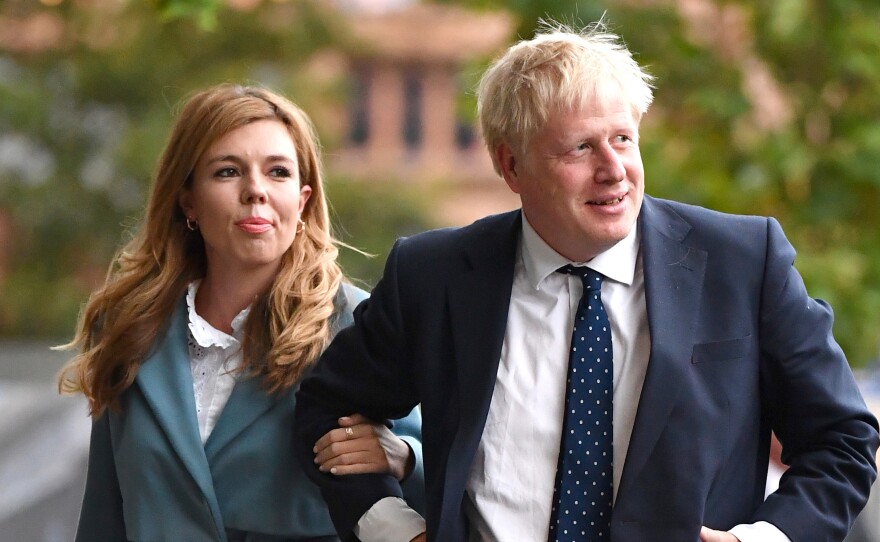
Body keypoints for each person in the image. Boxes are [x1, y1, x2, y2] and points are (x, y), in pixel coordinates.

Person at [293, 21, 880, 542]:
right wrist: (391, 529)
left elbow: (843, 440)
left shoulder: (743, 261)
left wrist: (767, 537)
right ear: (511, 166)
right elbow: (328, 407)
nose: (614, 168)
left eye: (623, 138)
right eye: (580, 147)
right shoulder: (435, 274)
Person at [57, 83, 424, 542]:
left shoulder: (355, 322)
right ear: (187, 200)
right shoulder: (130, 327)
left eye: (278, 172)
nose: (255, 191)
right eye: (228, 172)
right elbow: (105, 512)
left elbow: (442, 483)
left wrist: (405, 458)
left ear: (303, 199)